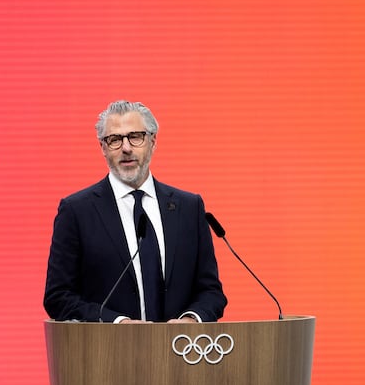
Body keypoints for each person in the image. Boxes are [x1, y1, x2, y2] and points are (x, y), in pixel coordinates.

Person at [43, 100, 227, 323]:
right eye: (115, 140)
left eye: (135, 136)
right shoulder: (76, 211)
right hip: (108, 353)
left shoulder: (189, 207)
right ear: (102, 147)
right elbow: (58, 297)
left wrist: (191, 320)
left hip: (180, 352)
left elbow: (211, 292)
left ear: (153, 141)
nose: (126, 148)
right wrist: (118, 323)